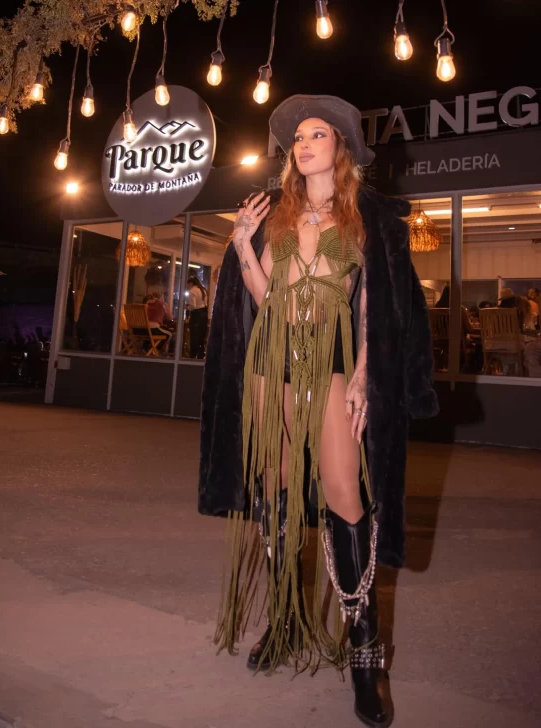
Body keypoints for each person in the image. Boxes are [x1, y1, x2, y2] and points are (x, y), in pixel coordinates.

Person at [199, 95, 438, 728]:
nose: (303, 145)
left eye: (316, 135)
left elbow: (374, 307)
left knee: (345, 495)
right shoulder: (276, 214)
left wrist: (364, 375)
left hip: (329, 366)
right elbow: (265, 296)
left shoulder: (365, 217)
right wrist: (242, 244)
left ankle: (366, 656)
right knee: (276, 492)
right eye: (297, 137)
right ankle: (283, 621)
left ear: (343, 148)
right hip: (269, 365)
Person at [186, 275, 208, 358]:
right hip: (204, 314)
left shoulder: (192, 291)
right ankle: (201, 355)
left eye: (187, 284)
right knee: (202, 335)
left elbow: (193, 305)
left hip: (196, 315)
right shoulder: (203, 290)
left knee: (194, 335)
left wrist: (187, 308)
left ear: (191, 283)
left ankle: (193, 355)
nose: (187, 286)